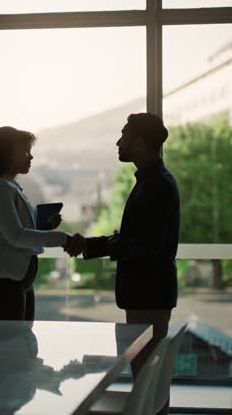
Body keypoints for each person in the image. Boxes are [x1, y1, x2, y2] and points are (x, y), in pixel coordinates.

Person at [65, 113, 180, 403]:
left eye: (124, 135)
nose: (118, 142)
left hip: (148, 296)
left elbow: (146, 246)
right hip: (149, 295)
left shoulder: (155, 185)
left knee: (147, 385)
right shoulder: (152, 181)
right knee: (148, 385)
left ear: (139, 143)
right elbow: (136, 240)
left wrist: (102, 246)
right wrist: (92, 245)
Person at [0, 126, 74, 320]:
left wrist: (44, 225)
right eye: (25, 151)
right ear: (8, 154)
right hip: (2, 282)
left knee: (21, 343)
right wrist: (63, 238)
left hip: (15, 279)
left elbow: (15, 231)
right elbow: (16, 236)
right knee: (13, 345)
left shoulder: (10, 186)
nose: (30, 157)